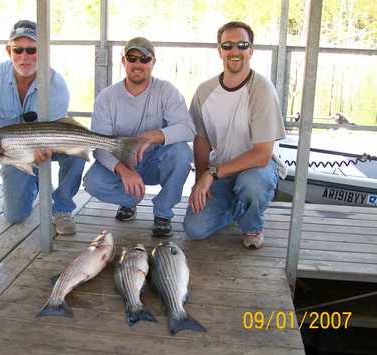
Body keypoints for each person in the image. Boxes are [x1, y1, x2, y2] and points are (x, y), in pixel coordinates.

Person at [0, 20, 85, 235]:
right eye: (18, 49)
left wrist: (44, 151)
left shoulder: (56, 83)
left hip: (49, 145)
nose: (24, 57)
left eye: (32, 50)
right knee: (15, 216)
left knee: (77, 151)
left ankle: (62, 208)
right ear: (8, 50)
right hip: (12, 153)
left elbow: (58, 127)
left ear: (42, 52)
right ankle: (32, 184)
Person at [183, 21, 286, 249]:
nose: (235, 51)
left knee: (252, 185)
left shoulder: (262, 90)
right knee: (194, 229)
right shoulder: (204, 91)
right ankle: (237, 208)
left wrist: (212, 173)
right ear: (219, 51)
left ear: (251, 50)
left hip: (256, 170)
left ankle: (252, 226)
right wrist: (201, 178)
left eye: (242, 44)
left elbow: (261, 155)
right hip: (220, 171)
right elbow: (201, 139)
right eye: (227, 45)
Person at [83, 37, 195, 237]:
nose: (138, 64)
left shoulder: (166, 91)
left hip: (154, 162)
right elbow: (99, 147)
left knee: (183, 154)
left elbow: (188, 129)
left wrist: (154, 136)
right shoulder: (106, 97)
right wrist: (123, 171)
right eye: (132, 58)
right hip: (122, 163)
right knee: (92, 182)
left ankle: (163, 213)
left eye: (145, 59)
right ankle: (130, 200)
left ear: (153, 62)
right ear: (123, 60)